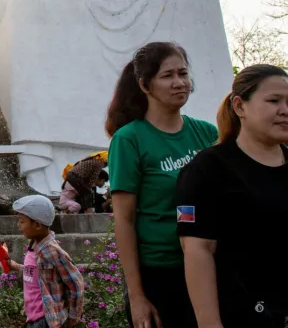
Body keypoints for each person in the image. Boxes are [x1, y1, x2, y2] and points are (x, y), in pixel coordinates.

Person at [106, 41, 216, 328]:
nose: (179, 83)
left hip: (208, 267)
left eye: (183, 73)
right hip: (160, 274)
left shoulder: (207, 133)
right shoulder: (129, 139)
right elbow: (124, 220)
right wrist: (137, 296)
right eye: (167, 76)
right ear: (145, 85)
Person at [177, 64, 288, 328]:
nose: (285, 110)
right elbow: (197, 251)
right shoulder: (207, 169)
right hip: (243, 314)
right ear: (240, 107)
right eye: (274, 101)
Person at [9, 195, 85, 328]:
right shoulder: (34, 246)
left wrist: (73, 316)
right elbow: (36, 274)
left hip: (47, 320)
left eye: (22, 222)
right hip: (33, 318)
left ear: (37, 225)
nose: (18, 225)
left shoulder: (52, 251)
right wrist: (13, 265)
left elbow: (76, 283)